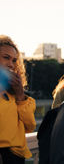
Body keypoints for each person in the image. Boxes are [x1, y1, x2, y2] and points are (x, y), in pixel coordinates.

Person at [0, 35, 36, 164]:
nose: (11, 64)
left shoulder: (17, 96)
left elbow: (30, 126)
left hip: (16, 158)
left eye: (14, 60)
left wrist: (20, 94)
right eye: (6, 58)